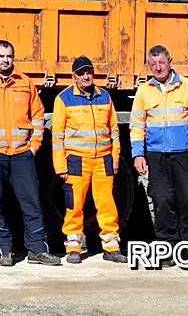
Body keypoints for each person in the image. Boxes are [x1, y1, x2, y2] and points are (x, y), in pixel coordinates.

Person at [0, 40, 60, 266]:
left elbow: (38, 115)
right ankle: (4, 251)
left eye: (9, 56)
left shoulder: (25, 83)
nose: (5, 60)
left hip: (22, 154)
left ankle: (37, 250)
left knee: (31, 202)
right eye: (1, 56)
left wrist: (34, 146)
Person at [130, 45, 188, 258]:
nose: (158, 68)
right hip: (156, 156)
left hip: (184, 154)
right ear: (149, 66)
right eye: (153, 64)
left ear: (170, 62)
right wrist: (138, 154)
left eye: (161, 63)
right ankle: (167, 250)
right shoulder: (144, 91)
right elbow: (137, 126)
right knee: (162, 201)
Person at [52, 56, 127, 264]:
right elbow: (57, 136)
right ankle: (74, 247)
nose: (86, 76)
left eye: (89, 72)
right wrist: (61, 165)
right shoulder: (63, 99)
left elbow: (114, 131)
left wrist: (115, 158)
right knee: (74, 205)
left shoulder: (105, 97)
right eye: (81, 73)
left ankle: (111, 247)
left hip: (103, 159)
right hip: (76, 160)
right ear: (73, 76)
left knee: (107, 203)